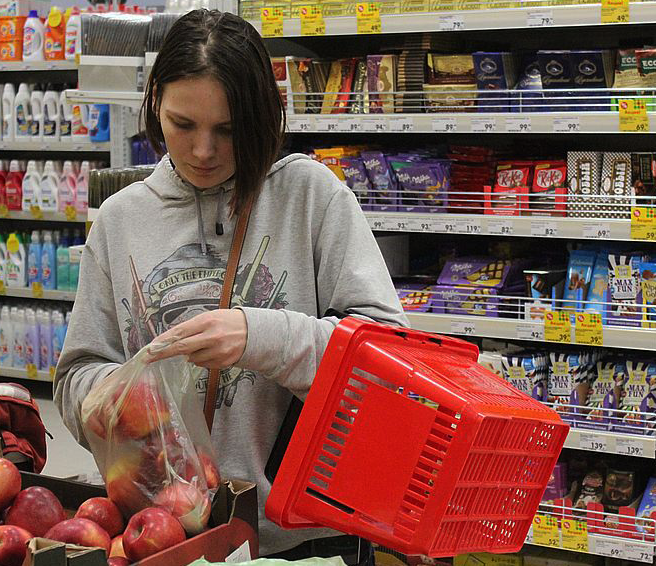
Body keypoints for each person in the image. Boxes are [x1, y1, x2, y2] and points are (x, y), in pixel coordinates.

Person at [53, 8, 407, 561]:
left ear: (263, 115)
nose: (202, 151)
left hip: (304, 540)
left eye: (228, 130)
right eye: (182, 124)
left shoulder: (311, 198)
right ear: (154, 105)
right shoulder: (120, 219)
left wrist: (259, 337)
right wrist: (122, 398)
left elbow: (392, 360)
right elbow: (76, 374)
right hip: (166, 537)